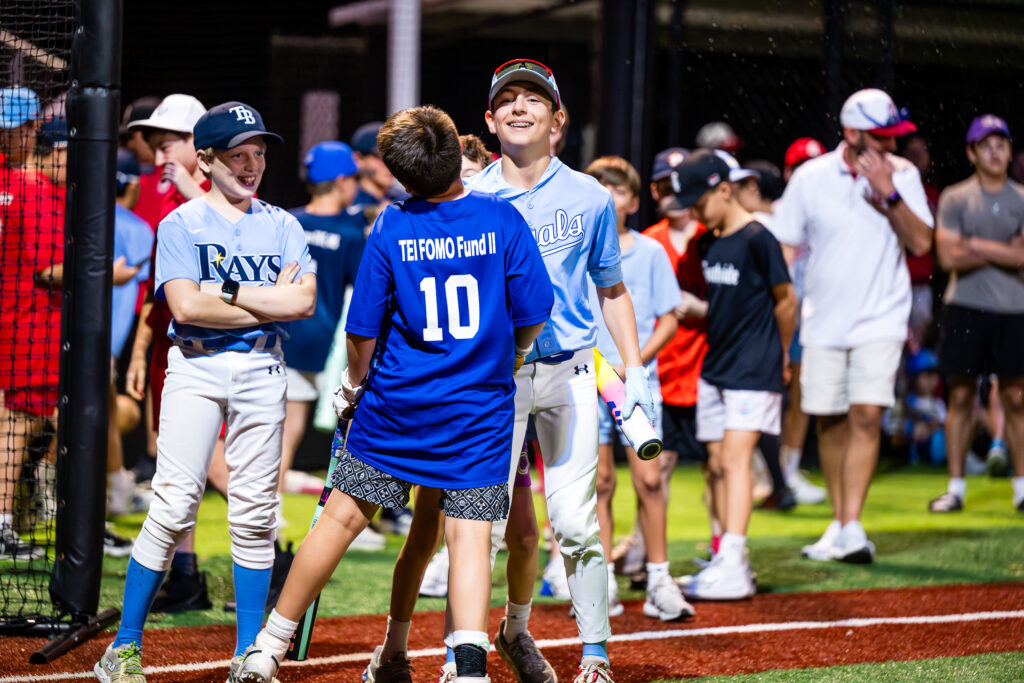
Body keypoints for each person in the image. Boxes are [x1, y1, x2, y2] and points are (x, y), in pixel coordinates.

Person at [236, 104, 554, 683]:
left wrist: (353, 387)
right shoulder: (503, 220)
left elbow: (363, 329)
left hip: (396, 407)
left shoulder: (390, 224)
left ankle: (266, 649)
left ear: (401, 177)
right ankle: (468, 667)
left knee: (340, 520)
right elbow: (534, 311)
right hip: (476, 412)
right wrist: (511, 355)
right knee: (468, 535)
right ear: (460, 155)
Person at [368, 58, 653, 683]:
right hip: (494, 378)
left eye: (534, 98)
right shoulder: (471, 194)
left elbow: (611, 288)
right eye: (508, 99)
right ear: (490, 120)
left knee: (576, 522)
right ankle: (459, 657)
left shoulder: (590, 195)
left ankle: (596, 656)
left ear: (558, 118)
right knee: (479, 523)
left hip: (574, 370)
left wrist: (635, 371)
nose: (520, 106)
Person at [94, 101, 316, 683]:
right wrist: (262, 298)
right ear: (207, 159)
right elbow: (186, 305)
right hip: (194, 368)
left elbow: (304, 303)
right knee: (170, 507)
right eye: (238, 155)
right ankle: (122, 648)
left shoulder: (283, 223)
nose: (251, 167)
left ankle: (248, 654)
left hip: (263, 370)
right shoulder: (180, 223)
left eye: (259, 155)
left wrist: (229, 291)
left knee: (253, 514)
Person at [773, 88, 933, 563]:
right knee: (831, 419)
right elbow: (785, 246)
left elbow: (922, 243)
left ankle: (852, 525)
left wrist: (888, 193)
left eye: (893, 136)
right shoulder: (810, 177)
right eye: (880, 137)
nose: (890, 146)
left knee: (867, 415)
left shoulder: (903, 175)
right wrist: (785, 314)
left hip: (882, 317)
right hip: (822, 320)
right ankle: (841, 526)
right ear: (851, 133)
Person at [669, 150, 796, 599]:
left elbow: (786, 300)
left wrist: (780, 356)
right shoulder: (710, 241)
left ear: (724, 189)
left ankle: (735, 565)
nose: (695, 212)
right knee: (719, 464)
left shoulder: (760, 238)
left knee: (737, 461)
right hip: (716, 366)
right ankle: (727, 556)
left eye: (699, 202)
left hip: (753, 365)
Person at [123, 93, 220, 613]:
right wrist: (141, 353)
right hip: (168, 344)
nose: (159, 154)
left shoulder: (219, 192)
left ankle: (274, 555)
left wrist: (190, 189)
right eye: (157, 145)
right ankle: (185, 573)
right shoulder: (163, 196)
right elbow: (153, 287)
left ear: (197, 143)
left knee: (214, 461)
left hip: (208, 347)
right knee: (175, 461)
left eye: (169, 144)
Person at [583, 155, 691, 620]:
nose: (610, 197)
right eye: (600, 188)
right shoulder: (577, 249)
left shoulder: (649, 251)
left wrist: (635, 362)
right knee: (598, 482)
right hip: (585, 379)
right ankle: (601, 576)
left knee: (649, 478)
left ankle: (659, 578)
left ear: (632, 199)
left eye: (619, 189)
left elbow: (669, 316)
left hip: (636, 380)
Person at [930, 114, 1024, 513]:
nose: (995, 149)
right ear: (971, 152)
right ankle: (955, 487)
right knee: (962, 396)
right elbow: (948, 257)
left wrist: (973, 244)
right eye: (986, 143)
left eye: (1001, 142)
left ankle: (1022, 487)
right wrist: (1006, 250)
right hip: (964, 308)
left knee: (1017, 398)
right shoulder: (954, 197)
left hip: (1014, 308)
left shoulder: (1022, 197)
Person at [277, 142, 368, 518]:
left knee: (282, 427)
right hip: (332, 345)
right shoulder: (351, 230)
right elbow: (365, 290)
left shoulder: (287, 220)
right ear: (343, 180)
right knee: (344, 433)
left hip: (285, 334)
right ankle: (342, 516)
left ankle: (272, 505)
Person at [0, 88, 62, 561]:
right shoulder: (30, 187)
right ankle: (6, 521)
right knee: (18, 420)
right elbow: (49, 270)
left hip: (13, 319)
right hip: (29, 322)